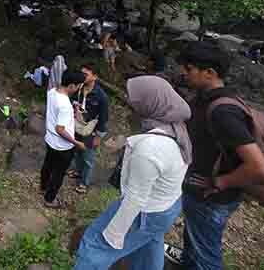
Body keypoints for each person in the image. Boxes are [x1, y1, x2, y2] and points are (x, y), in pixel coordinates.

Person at [73, 75, 192, 270]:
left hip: (145, 211)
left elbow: (135, 199)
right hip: (167, 205)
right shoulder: (174, 126)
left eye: (136, 100)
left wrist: (114, 234)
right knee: (148, 246)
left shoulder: (150, 148)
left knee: (95, 246)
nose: (130, 103)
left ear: (151, 103)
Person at [177, 43, 264, 270]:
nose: (183, 73)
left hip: (211, 198)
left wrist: (220, 182)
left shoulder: (223, 111)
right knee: (195, 247)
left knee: (205, 257)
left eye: (189, 69)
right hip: (200, 193)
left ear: (209, 72)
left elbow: (259, 167)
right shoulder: (206, 99)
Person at [41, 70, 88, 208]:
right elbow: (60, 129)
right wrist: (76, 142)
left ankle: (43, 187)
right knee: (59, 173)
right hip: (62, 146)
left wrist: (73, 107)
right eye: (78, 86)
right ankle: (49, 199)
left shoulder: (52, 92)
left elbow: (56, 112)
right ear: (72, 85)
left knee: (48, 164)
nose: (79, 89)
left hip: (50, 139)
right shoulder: (65, 106)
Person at [68, 63, 110, 194]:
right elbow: (71, 101)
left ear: (95, 77)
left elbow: (103, 118)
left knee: (88, 157)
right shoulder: (78, 88)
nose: (82, 76)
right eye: (82, 73)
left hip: (90, 131)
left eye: (86, 74)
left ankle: (84, 182)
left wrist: (98, 137)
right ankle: (77, 171)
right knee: (77, 151)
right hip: (76, 126)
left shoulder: (101, 96)